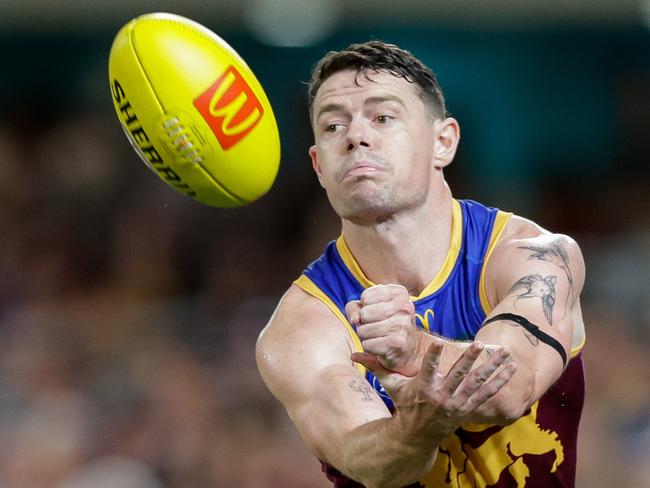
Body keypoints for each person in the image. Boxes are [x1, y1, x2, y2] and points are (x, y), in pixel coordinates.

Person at [256, 41, 586, 488]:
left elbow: (512, 388)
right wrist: (418, 424)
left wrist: (413, 350)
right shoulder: (300, 327)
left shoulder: (534, 256)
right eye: (332, 126)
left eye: (383, 118)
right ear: (318, 166)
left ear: (443, 142)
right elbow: (372, 464)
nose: (355, 136)